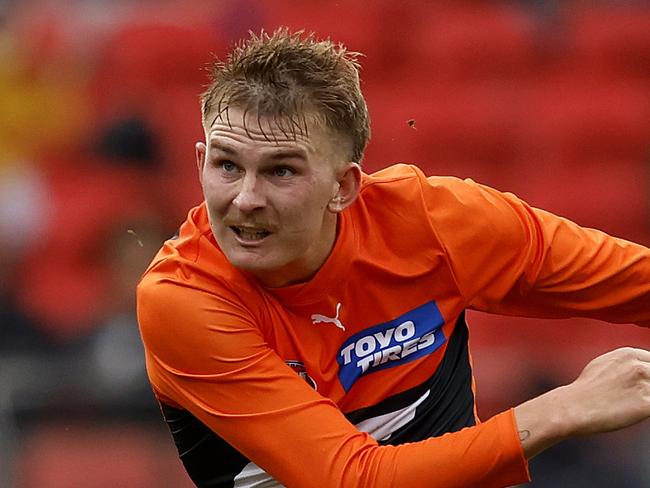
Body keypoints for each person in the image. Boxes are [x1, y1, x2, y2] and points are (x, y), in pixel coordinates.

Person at [136, 29, 650, 488]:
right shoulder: (182, 298)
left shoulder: (437, 223)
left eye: (282, 171)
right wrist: (565, 408)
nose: (245, 198)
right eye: (228, 165)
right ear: (201, 161)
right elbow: (354, 480)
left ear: (344, 186)